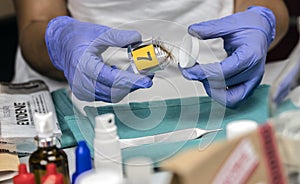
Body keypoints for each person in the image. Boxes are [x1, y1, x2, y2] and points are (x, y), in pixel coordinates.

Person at [13, 0, 289, 108]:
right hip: (90, 98)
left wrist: (262, 21)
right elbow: (35, 22)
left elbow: (268, 4)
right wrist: (59, 40)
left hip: (220, 87)